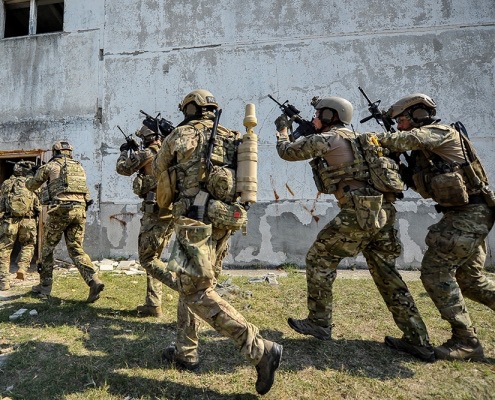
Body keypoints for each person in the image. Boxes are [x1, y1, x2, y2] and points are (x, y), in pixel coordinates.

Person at [274, 95, 434, 362]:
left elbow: (288, 152)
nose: (314, 118)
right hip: (383, 210)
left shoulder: (329, 138)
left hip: (359, 211)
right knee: (386, 274)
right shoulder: (357, 137)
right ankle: (419, 340)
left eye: (318, 114)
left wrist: (282, 130)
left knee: (319, 257)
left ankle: (319, 322)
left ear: (330, 116)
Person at [153, 89, 282, 395]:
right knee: (192, 287)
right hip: (225, 220)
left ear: (190, 108)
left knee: (196, 292)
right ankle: (187, 352)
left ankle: (259, 349)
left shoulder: (180, 134)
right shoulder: (234, 135)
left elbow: (159, 169)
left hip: (194, 222)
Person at [371, 93, 495, 361]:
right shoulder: (424, 154)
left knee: (435, 272)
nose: (399, 126)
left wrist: (374, 139)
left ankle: (466, 341)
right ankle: (467, 340)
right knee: (471, 281)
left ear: (417, 115)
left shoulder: (440, 132)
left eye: (401, 120)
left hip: (470, 214)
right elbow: (423, 187)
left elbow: (409, 139)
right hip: (464, 215)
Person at [25, 141, 104, 302]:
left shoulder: (52, 165)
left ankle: (44, 288)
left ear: (55, 151)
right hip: (79, 210)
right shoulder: (79, 166)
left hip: (61, 210)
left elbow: (31, 186)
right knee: (76, 249)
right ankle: (94, 280)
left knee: (47, 249)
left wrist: (32, 174)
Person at [116, 125, 175, 317]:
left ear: (146, 140)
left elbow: (123, 168)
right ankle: (153, 304)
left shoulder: (148, 153)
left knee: (147, 259)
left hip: (155, 213)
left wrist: (125, 151)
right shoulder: (169, 152)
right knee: (154, 258)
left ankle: (183, 286)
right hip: (170, 212)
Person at [0, 161, 41, 290]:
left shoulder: (6, 184)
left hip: (9, 221)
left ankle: (4, 282)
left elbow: (1, 205)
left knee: (4, 250)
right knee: (28, 244)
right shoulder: (31, 184)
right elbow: (38, 206)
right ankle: (22, 268)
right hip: (28, 220)